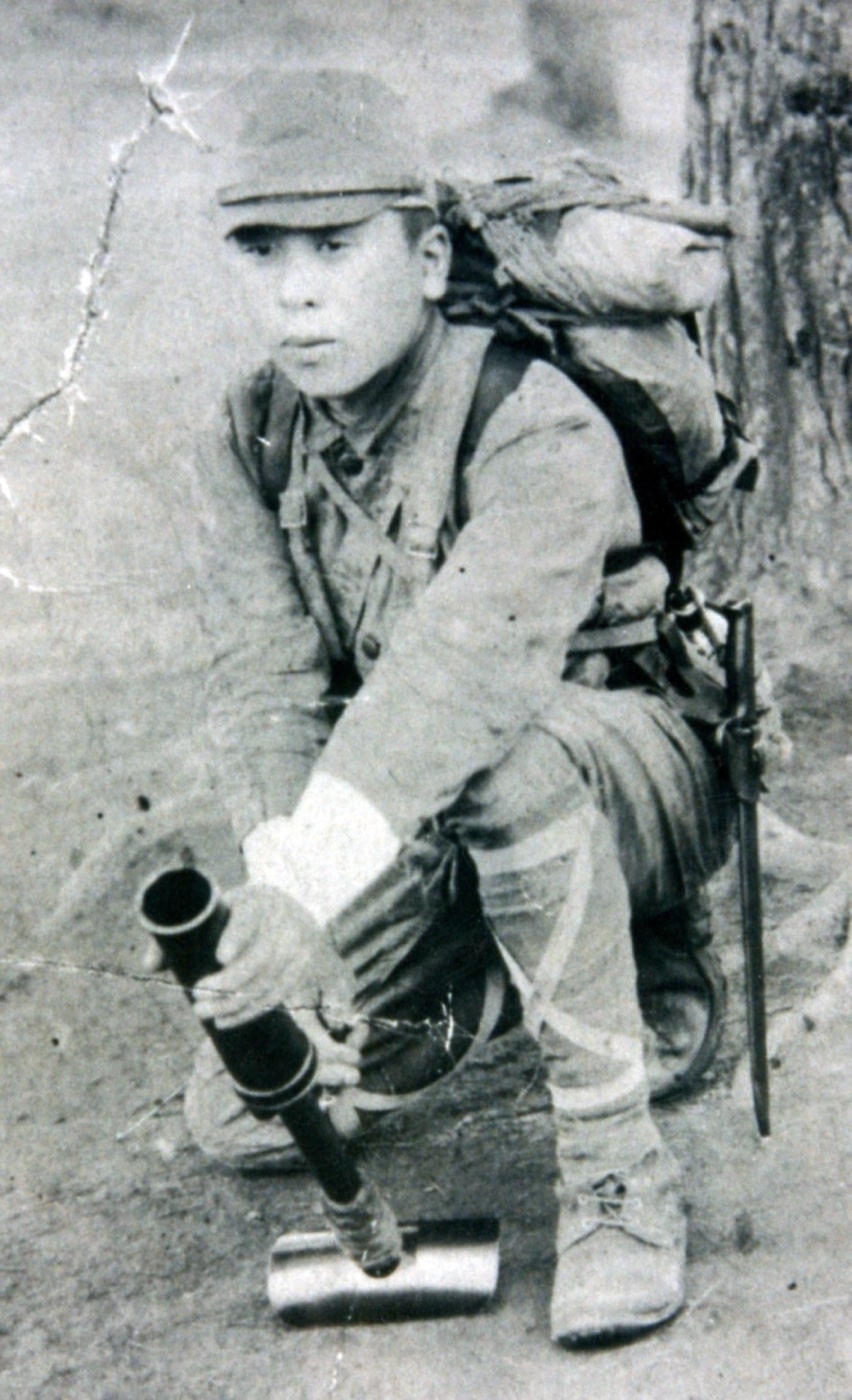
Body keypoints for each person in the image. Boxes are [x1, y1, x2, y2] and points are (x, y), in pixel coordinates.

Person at [179, 68, 732, 1347]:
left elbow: (462, 681)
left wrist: (311, 882)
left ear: (429, 259)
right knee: (250, 1104)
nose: (296, 288)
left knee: (500, 761)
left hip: (622, 764)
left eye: (335, 245)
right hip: (404, 802)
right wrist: (282, 904)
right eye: (262, 251)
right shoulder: (251, 429)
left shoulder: (532, 418)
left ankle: (615, 1172)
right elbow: (263, 678)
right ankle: (500, 982)